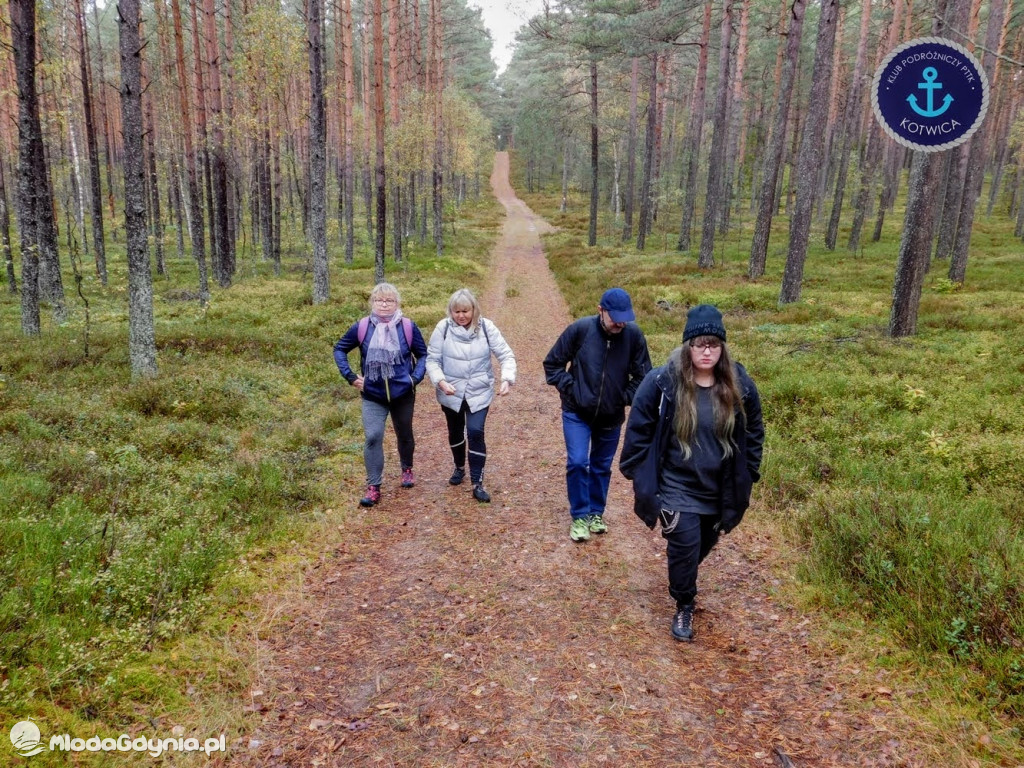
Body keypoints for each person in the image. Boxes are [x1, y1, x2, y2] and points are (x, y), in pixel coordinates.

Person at [620, 304, 764, 642]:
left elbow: (754, 429)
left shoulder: (739, 384)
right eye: (700, 344)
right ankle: (684, 603)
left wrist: (749, 471)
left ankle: (682, 571)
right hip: (676, 486)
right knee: (685, 546)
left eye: (713, 344)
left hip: (718, 487)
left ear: (722, 348)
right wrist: (639, 472)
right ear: (688, 346)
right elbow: (639, 426)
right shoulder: (663, 382)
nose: (707, 351)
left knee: (701, 544)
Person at [543, 287, 651, 542]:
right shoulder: (580, 330)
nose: (620, 323)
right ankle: (580, 516)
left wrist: (623, 398)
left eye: (625, 318)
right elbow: (552, 364)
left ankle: (596, 513)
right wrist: (572, 390)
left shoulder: (633, 336)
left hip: (611, 417)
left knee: (602, 466)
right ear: (600, 310)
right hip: (576, 413)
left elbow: (644, 376)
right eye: (615, 318)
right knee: (578, 462)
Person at [333, 282, 428, 507]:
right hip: (372, 394)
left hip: (403, 393)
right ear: (372, 302)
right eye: (379, 300)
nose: (384, 304)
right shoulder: (362, 327)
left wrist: (414, 379)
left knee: (404, 433)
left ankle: (407, 468)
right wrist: (350, 376)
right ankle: (374, 486)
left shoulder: (407, 327)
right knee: (373, 436)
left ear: (397, 303)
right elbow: (339, 349)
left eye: (389, 300)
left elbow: (423, 355)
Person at [426, 289, 516, 503]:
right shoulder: (443, 328)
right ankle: (459, 467)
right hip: (451, 392)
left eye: (465, 311)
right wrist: (440, 381)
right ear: (451, 311)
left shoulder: (486, 327)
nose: (461, 316)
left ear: (474, 310)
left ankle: (477, 482)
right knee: (455, 432)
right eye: (456, 311)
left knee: (476, 431)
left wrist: (507, 379)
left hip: (479, 391)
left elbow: (505, 354)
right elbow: (432, 360)